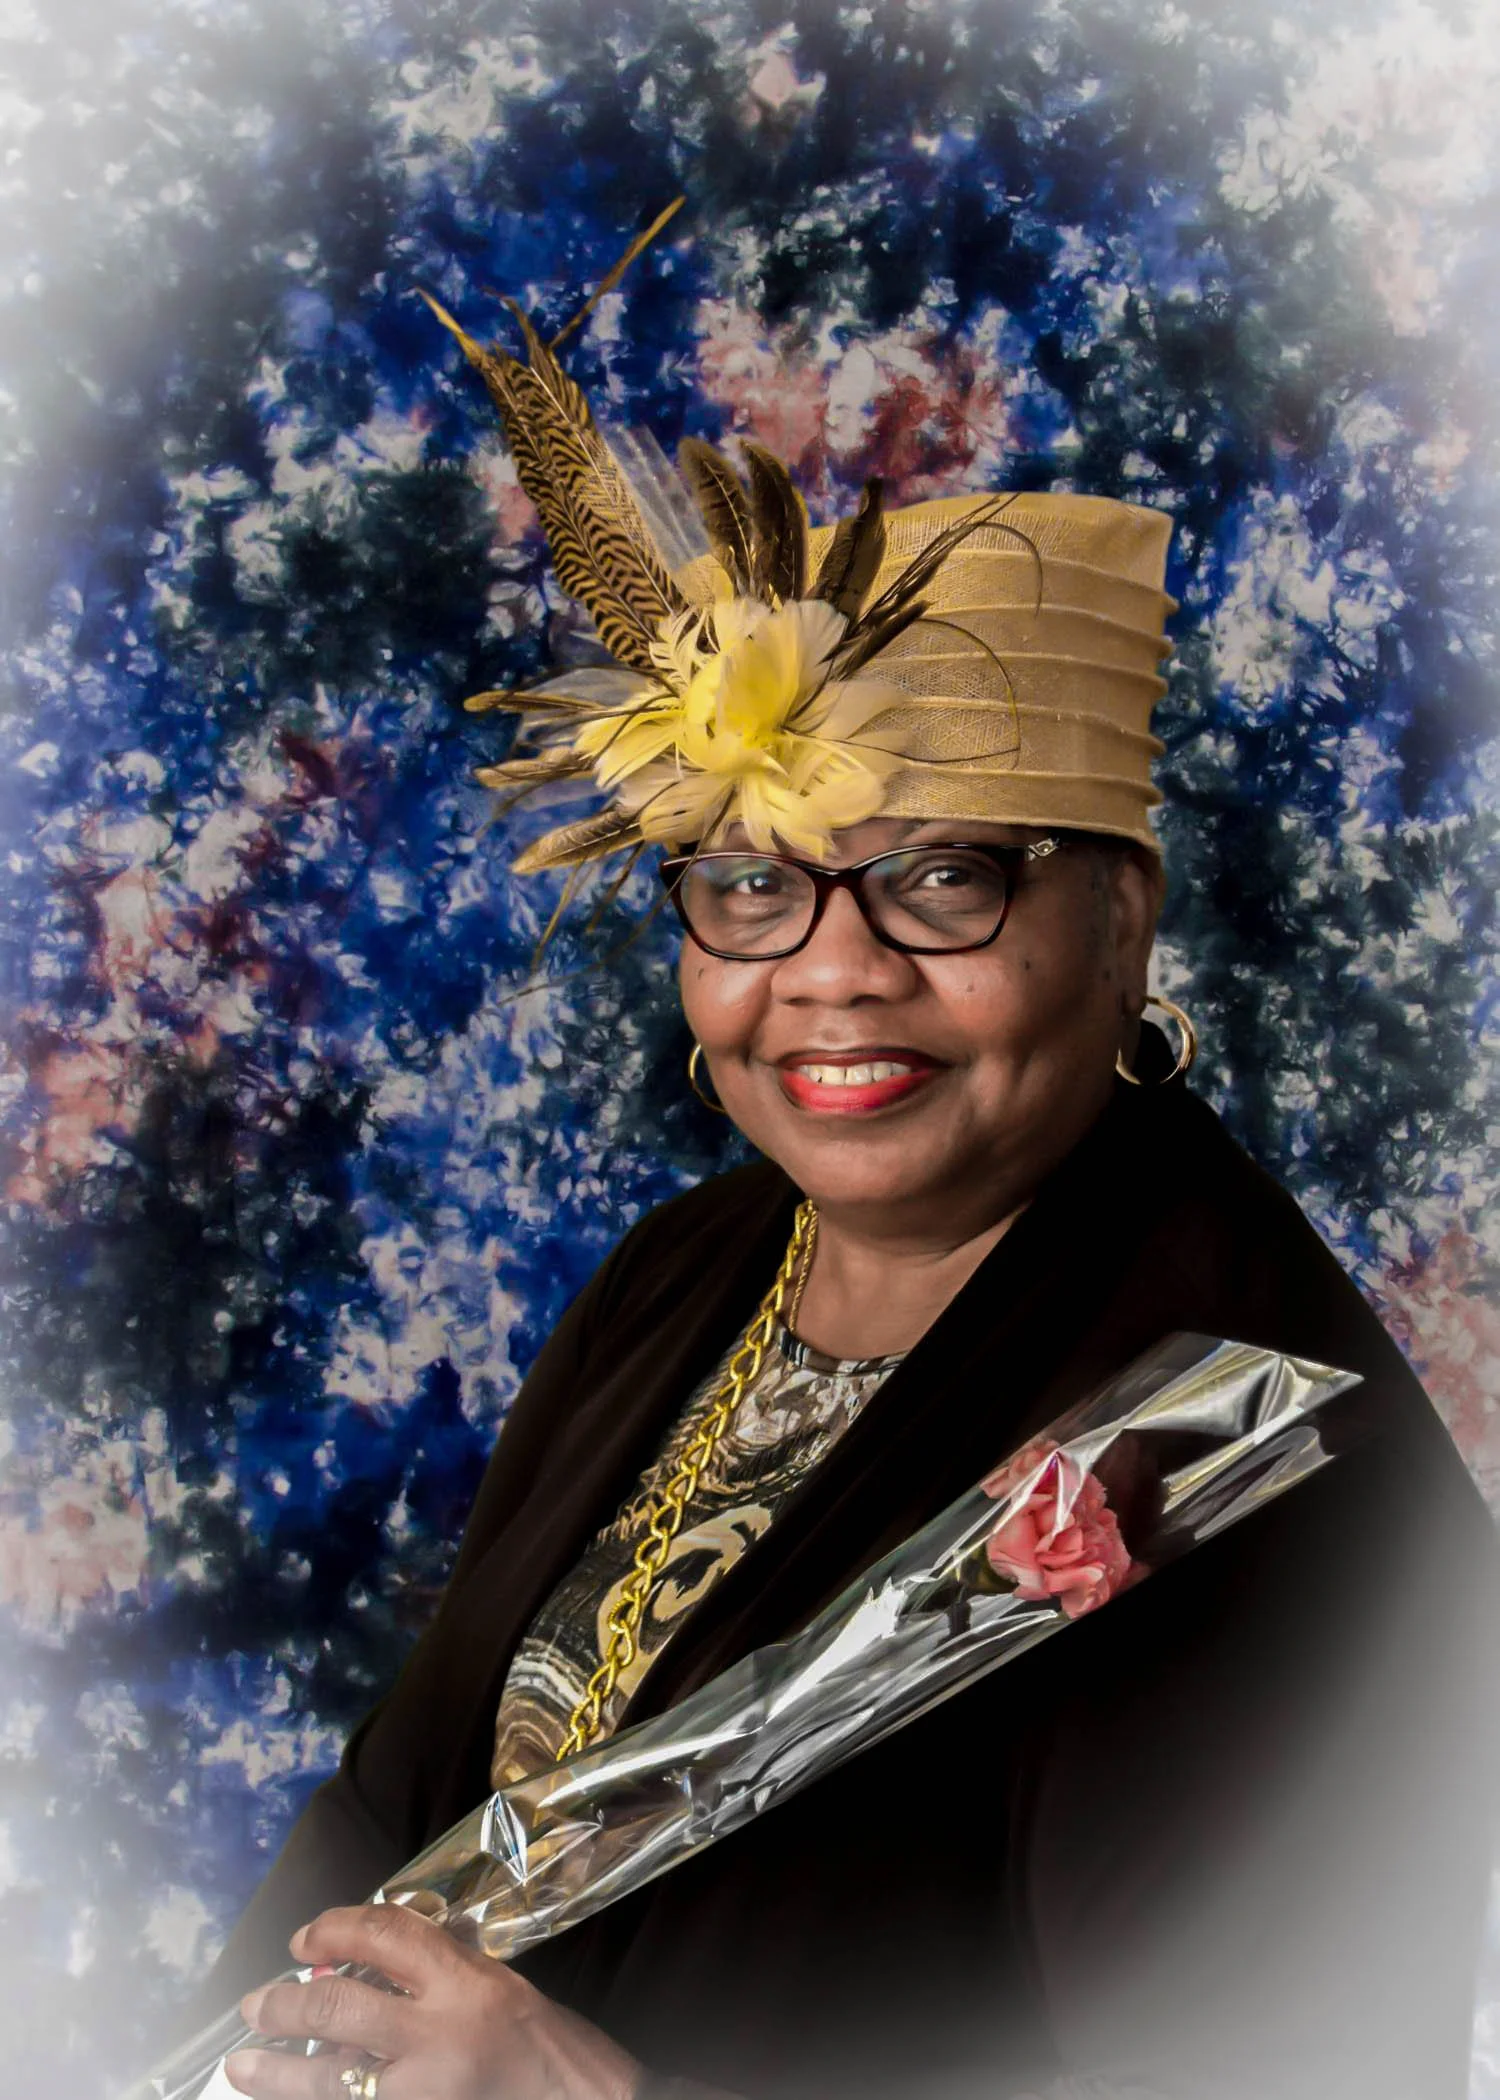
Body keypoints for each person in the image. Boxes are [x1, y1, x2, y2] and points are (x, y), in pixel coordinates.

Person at [200, 290, 1497, 2100]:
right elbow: (391, 1798)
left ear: (1122, 920)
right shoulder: (696, 1267)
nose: (830, 973)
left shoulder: (1252, 1457)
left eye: (944, 881)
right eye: (749, 887)